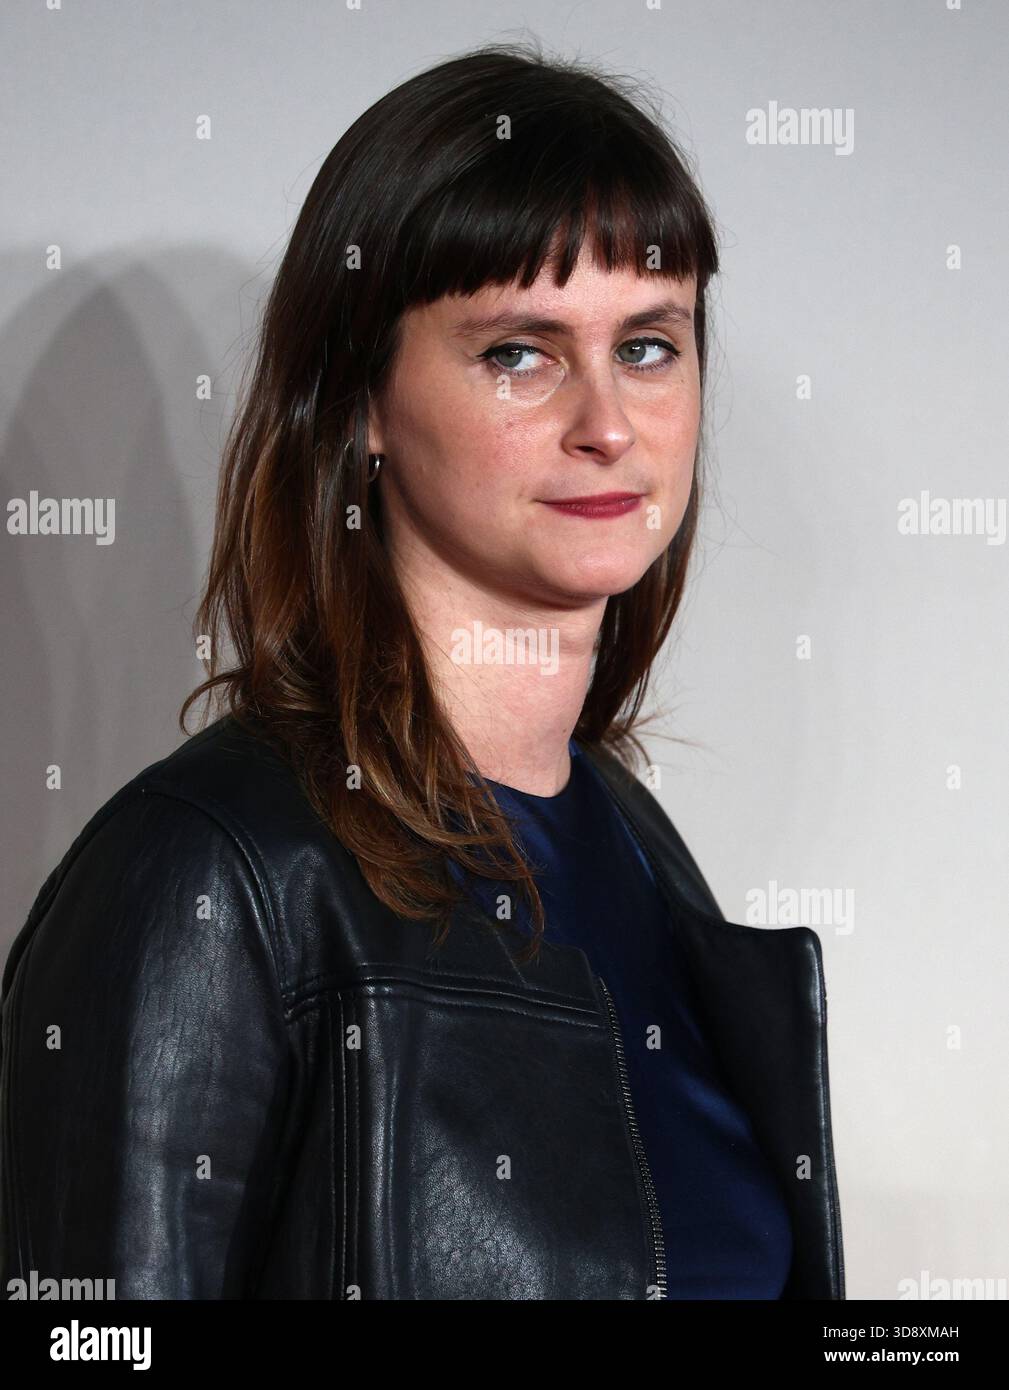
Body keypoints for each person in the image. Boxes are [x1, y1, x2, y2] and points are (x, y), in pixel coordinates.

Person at [0, 40, 844, 1301]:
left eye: (650, 344)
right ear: (360, 404)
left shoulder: (640, 853)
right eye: (519, 350)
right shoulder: (206, 873)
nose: (608, 422)